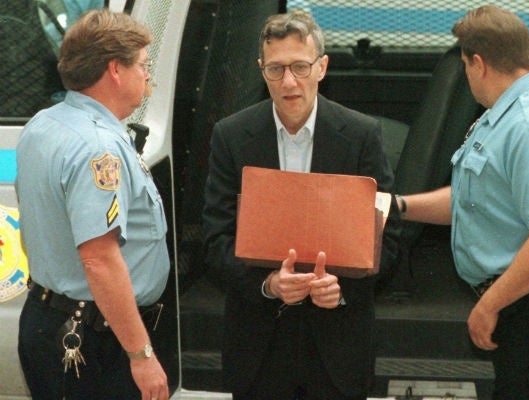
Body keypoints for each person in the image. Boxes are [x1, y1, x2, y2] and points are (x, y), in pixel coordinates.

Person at [396, 5, 529, 400]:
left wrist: (489, 305)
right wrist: (399, 206)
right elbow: (474, 200)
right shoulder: (503, 117)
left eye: (466, 66)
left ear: (478, 63)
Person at [202, 10, 400, 400]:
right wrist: (268, 284)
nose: (289, 81)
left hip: (339, 349)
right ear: (261, 70)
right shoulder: (231, 136)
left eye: (300, 67)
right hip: (258, 348)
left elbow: (388, 239)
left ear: (322, 67)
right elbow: (215, 240)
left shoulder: (361, 135)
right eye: (276, 69)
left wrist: (340, 290)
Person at [16, 9, 170, 400]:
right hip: (94, 341)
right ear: (115, 70)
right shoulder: (99, 147)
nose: (148, 75)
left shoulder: (45, 123)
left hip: (50, 319)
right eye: (143, 65)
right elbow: (100, 259)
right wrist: (141, 354)